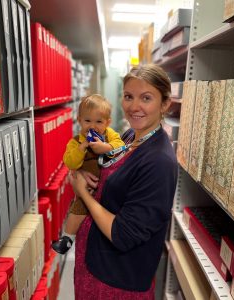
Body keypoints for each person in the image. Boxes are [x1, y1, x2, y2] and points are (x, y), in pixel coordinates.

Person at [69, 64, 178, 299]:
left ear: (165, 104)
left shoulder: (159, 162)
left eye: (146, 98)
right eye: (129, 96)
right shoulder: (130, 137)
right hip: (94, 263)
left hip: (116, 281)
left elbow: (123, 234)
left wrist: (83, 193)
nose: (134, 106)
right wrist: (85, 175)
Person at [52, 94, 125, 254]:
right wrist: (82, 147)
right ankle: (67, 238)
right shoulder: (76, 141)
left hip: (109, 186)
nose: (92, 126)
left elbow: (120, 146)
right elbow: (70, 163)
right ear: (79, 120)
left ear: (107, 122)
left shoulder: (110, 134)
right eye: (87, 121)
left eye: (99, 121)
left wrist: (105, 147)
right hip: (89, 191)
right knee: (77, 208)